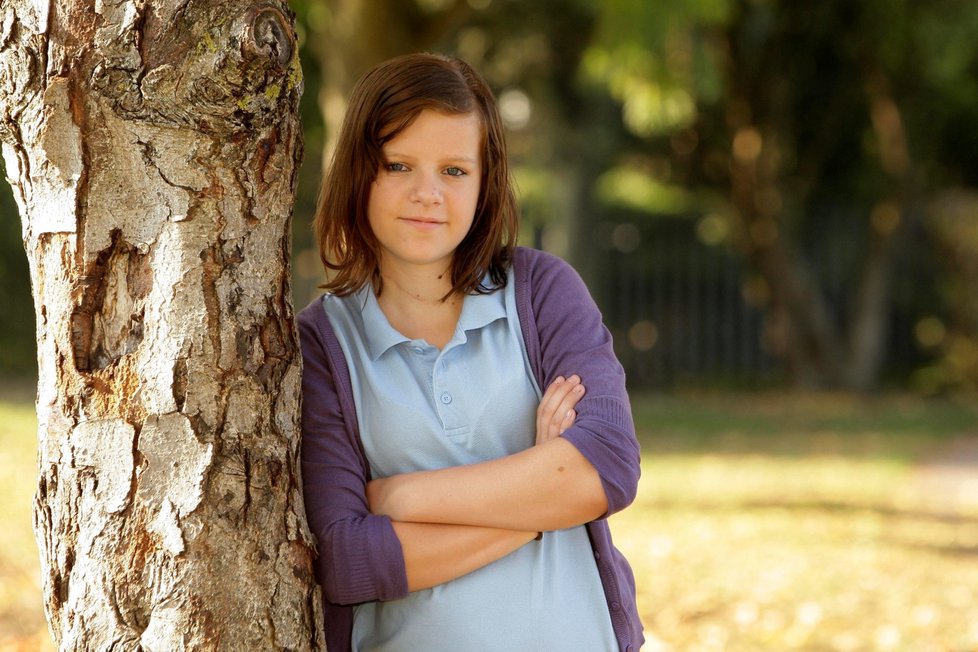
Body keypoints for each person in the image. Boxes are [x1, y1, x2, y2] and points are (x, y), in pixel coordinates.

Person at [298, 52, 643, 652]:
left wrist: (403, 498)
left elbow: (605, 467)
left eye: (454, 171)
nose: (427, 193)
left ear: (485, 183)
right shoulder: (322, 343)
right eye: (399, 164)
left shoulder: (543, 292)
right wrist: (540, 499)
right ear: (359, 172)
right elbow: (350, 558)